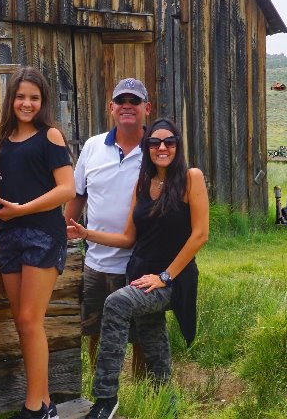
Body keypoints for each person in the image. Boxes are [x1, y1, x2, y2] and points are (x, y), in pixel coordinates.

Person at [67, 119, 210, 419]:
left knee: (116, 304)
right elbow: (128, 238)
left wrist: (165, 276)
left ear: (178, 145)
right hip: (141, 273)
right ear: (147, 149)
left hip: (172, 278)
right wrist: (86, 233)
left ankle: (106, 397)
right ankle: (165, 402)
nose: (162, 148)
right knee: (153, 336)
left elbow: (200, 235)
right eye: (155, 143)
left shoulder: (191, 178)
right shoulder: (143, 183)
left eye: (169, 142)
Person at [0, 67, 76, 419]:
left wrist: (21, 210)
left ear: (42, 102)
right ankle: (45, 405)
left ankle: (33, 409)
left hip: (43, 233)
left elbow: (66, 189)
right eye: (20, 97)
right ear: (10, 100)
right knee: (22, 321)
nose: (26, 103)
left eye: (34, 98)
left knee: (30, 319)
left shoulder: (51, 137)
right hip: (9, 236)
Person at [65, 77, 151, 369]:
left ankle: (141, 388)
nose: (128, 106)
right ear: (111, 107)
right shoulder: (92, 147)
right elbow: (78, 195)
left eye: (135, 101)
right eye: (122, 101)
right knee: (94, 329)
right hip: (96, 261)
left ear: (146, 108)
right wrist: (64, 229)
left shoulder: (156, 150)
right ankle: (98, 384)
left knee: (140, 333)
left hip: (139, 261)